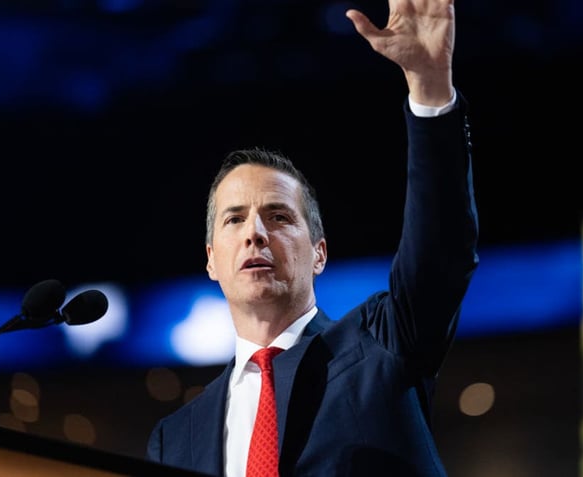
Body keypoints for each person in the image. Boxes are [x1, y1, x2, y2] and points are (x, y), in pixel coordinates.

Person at [147, 0, 479, 475]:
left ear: (319, 253)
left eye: (279, 217)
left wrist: (429, 89)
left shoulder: (382, 344)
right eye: (234, 219)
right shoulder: (174, 438)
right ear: (211, 261)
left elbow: (440, 252)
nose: (255, 234)